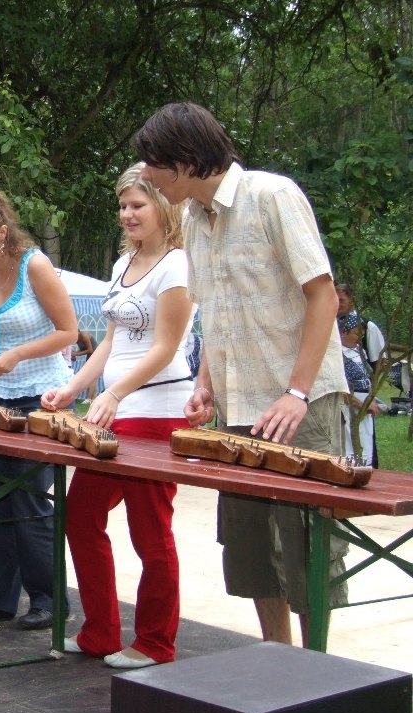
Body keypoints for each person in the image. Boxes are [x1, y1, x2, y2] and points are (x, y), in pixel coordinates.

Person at [134, 101, 349, 647]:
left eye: (154, 165)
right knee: (251, 548)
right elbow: (217, 311)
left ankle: (317, 671)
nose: (149, 178)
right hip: (237, 409)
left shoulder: (272, 196)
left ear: (184, 161)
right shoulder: (194, 221)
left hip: (300, 406)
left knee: (307, 548)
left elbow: (322, 296)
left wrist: (297, 392)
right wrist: (205, 383)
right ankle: (276, 659)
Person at [41, 163, 194, 668]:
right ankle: (101, 631)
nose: (127, 214)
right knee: (81, 516)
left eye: (138, 204)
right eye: (123, 205)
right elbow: (111, 341)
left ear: (163, 206)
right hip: (115, 412)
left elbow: (166, 346)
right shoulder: (122, 263)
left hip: (157, 413)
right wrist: (73, 388)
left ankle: (156, 642)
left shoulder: (177, 265)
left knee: (150, 531)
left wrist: (117, 393)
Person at [0, 188, 78, 629]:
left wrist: (19, 353)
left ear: (2, 233)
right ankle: (2, 595)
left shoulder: (35, 265)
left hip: (43, 396)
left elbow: (69, 331)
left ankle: (49, 599)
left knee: (29, 502)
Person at [338, 312, 379, 467]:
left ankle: (364, 468)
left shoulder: (359, 352)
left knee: (365, 442)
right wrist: (362, 405)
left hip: (365, 404)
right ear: (343, 332)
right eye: (356, 334)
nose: (360, 338)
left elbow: (369, 378)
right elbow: (340, 390)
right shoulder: (338, 355)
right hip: (349, 406)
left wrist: (371, 399)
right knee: (351, 444)